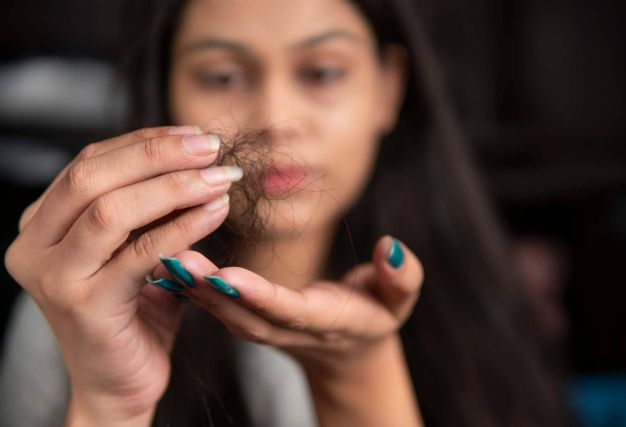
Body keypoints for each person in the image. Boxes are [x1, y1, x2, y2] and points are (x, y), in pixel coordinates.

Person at [1, 1, 568, 426]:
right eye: (222, 76)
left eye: (321, 72)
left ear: (388, 88)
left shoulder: (485, 303)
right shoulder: (78, 315)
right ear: (168, 91)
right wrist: (106, 406)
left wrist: (361, 373)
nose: (273, 118)